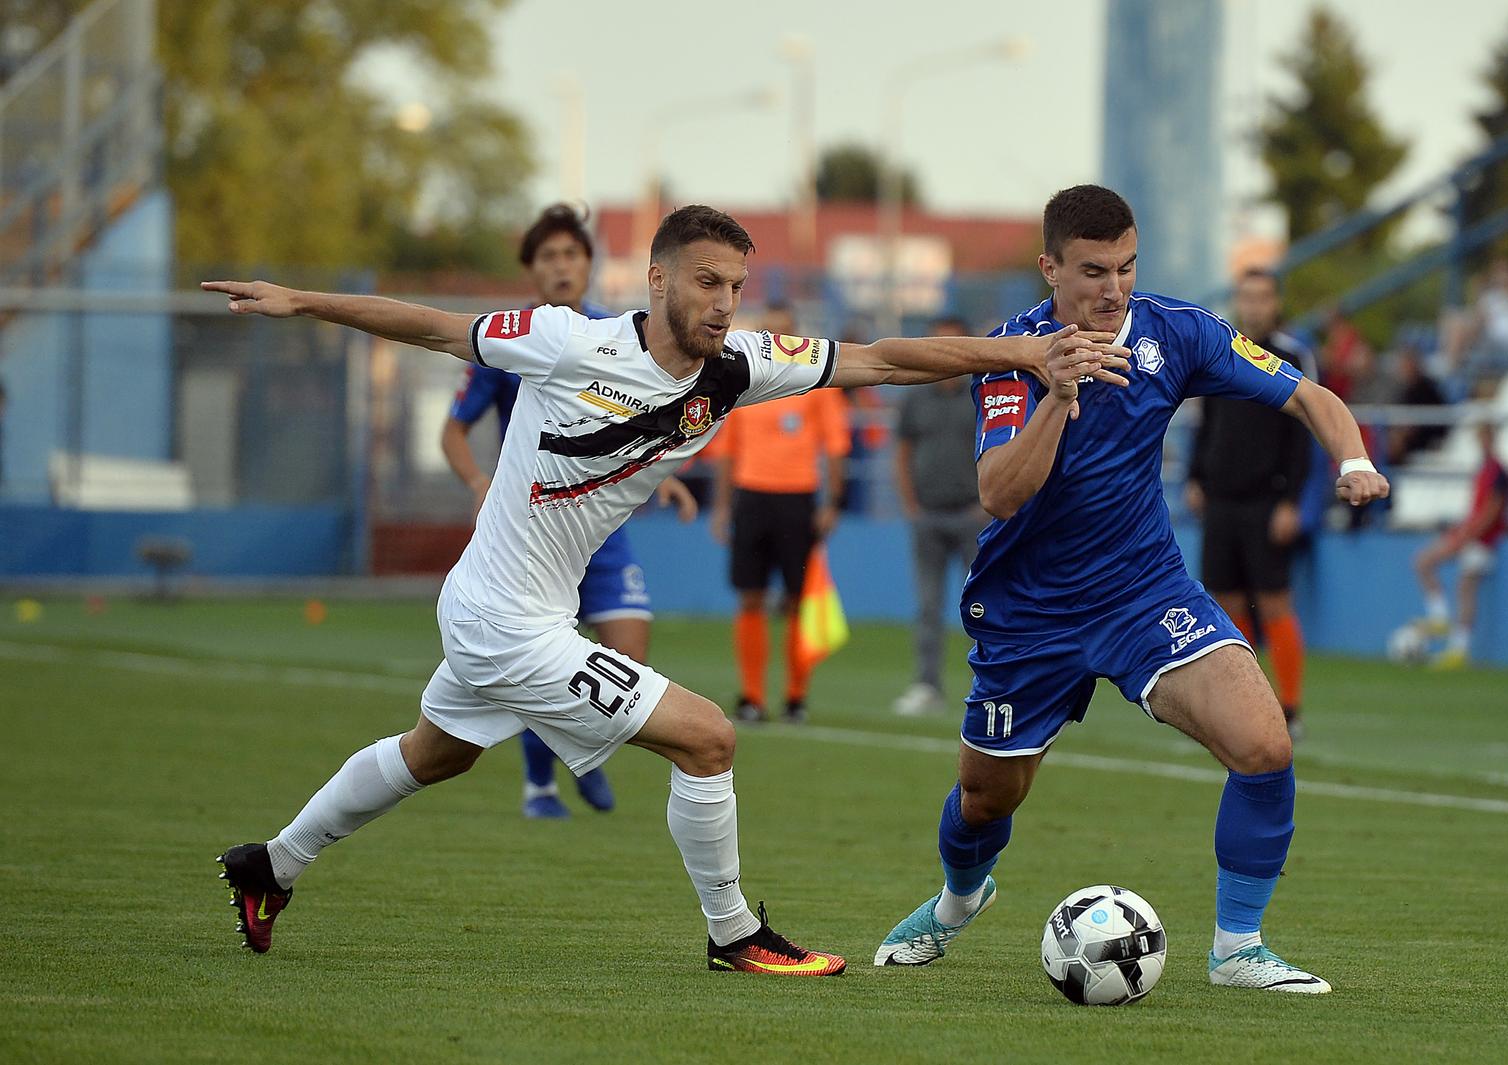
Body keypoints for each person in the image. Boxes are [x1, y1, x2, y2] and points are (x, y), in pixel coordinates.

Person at [203, 204, 1116, 975]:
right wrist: (303, 301)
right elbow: (437, 326)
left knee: (432, 753)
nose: (723, 303)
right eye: (706, 282)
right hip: (502, 618)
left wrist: (1027, 356)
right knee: (709, 738)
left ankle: (270, 864)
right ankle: (734, 935)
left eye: (734, 286)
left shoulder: (741, 366)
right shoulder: (568, 341)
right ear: (657, 280)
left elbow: (880, 358)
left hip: (518, 609)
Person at [873, 186, 1388, 995]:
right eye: (1091, 271)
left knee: (1264, 745)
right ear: (1049, 268)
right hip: (1030, 611)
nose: (1112, 288)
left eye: (1125, 266)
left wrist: (1353, 459)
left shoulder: (1178, 331)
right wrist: (1059, 392)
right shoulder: (1014, 353)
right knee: (984, 797)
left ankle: (1238, 947)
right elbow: (1001, 493)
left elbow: (1308, 395)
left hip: (1142, 592)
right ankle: (955, 901)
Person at [440, 203, 693, 820]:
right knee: (541, 662)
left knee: (628, 658)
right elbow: (453, 430)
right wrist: (477, 478)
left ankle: (582, 748)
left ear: (588, 264)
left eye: (571, 254)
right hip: (534, 534)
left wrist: (669, 481)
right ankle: (540, 786)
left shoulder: (621, 333)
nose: (561, 266)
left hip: (602, 532)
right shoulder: (523, 338)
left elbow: (646, 421)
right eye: (548, 256)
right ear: (532, 269)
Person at [1185, 269, 1315, 740]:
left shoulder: (1293, 356)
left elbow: (1303, 435)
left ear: (1275, 302)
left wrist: (1292, 500)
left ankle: (1293, 709)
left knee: (1276, 603)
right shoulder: (1223, 351)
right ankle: (1247, 704)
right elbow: (1208, 421)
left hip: (1266, 500)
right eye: (1247, 297)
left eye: (1262, 297)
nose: (1254, 306)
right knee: (1226, 602)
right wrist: (1196, 475)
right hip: (1221, 499)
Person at [707, 303, 851, 723]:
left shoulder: (814, 383)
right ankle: (752, 696)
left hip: (798, 498)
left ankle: (795, 697)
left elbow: (836, 445)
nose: (775, 342)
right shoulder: (742, 382)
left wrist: (832, 501)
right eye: (768, 334)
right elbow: (725, 451)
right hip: (751, 496)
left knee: (796, 601)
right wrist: (720, 507)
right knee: (751, 597)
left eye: (783, 333)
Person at [892, 315, 989, 717]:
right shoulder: (916, 395)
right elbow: (902, 451)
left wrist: (987, 504)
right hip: (928, 514)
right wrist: (910, 503)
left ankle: (989, 689)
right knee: (929, 607)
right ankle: (927, 685)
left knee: (987, 607)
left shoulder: (981, 392)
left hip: (975, 516)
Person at [1412, 422, 1508, 669]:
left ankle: (1459, 648)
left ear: (1492, 438)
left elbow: (1491, 512)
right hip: (1470, 534)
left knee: (1465, 586)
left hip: (1484, 541)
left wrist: (1465, 536)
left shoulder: (1499, 472)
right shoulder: (1485, 469)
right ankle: (1439, 618)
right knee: (1424, 562)